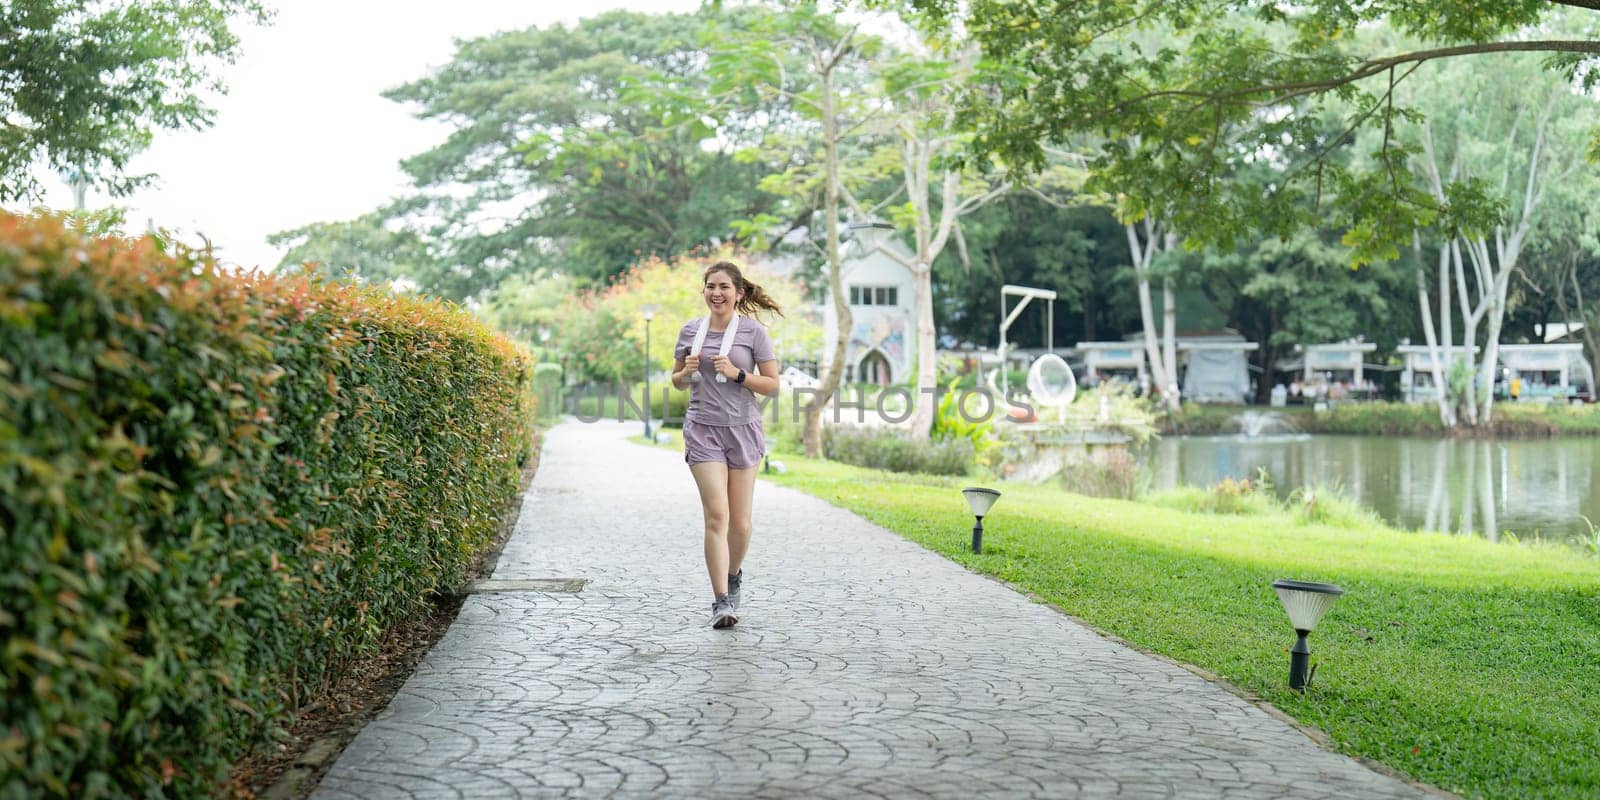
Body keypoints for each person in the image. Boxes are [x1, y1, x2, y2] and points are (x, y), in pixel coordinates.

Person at [670, 261, 782, 628]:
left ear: (738, 292)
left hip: (743, 430)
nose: (716, 292)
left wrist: (737, 375)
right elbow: (677, 381)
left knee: (741, 523)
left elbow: (772, 385)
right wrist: (685, 373)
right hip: (703, 430)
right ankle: (721, 601)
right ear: (703, 291)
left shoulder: (753, 333)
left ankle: (734, 576)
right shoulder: (690, 331)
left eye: (723, 286)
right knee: (717, 516)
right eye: (709, 286)